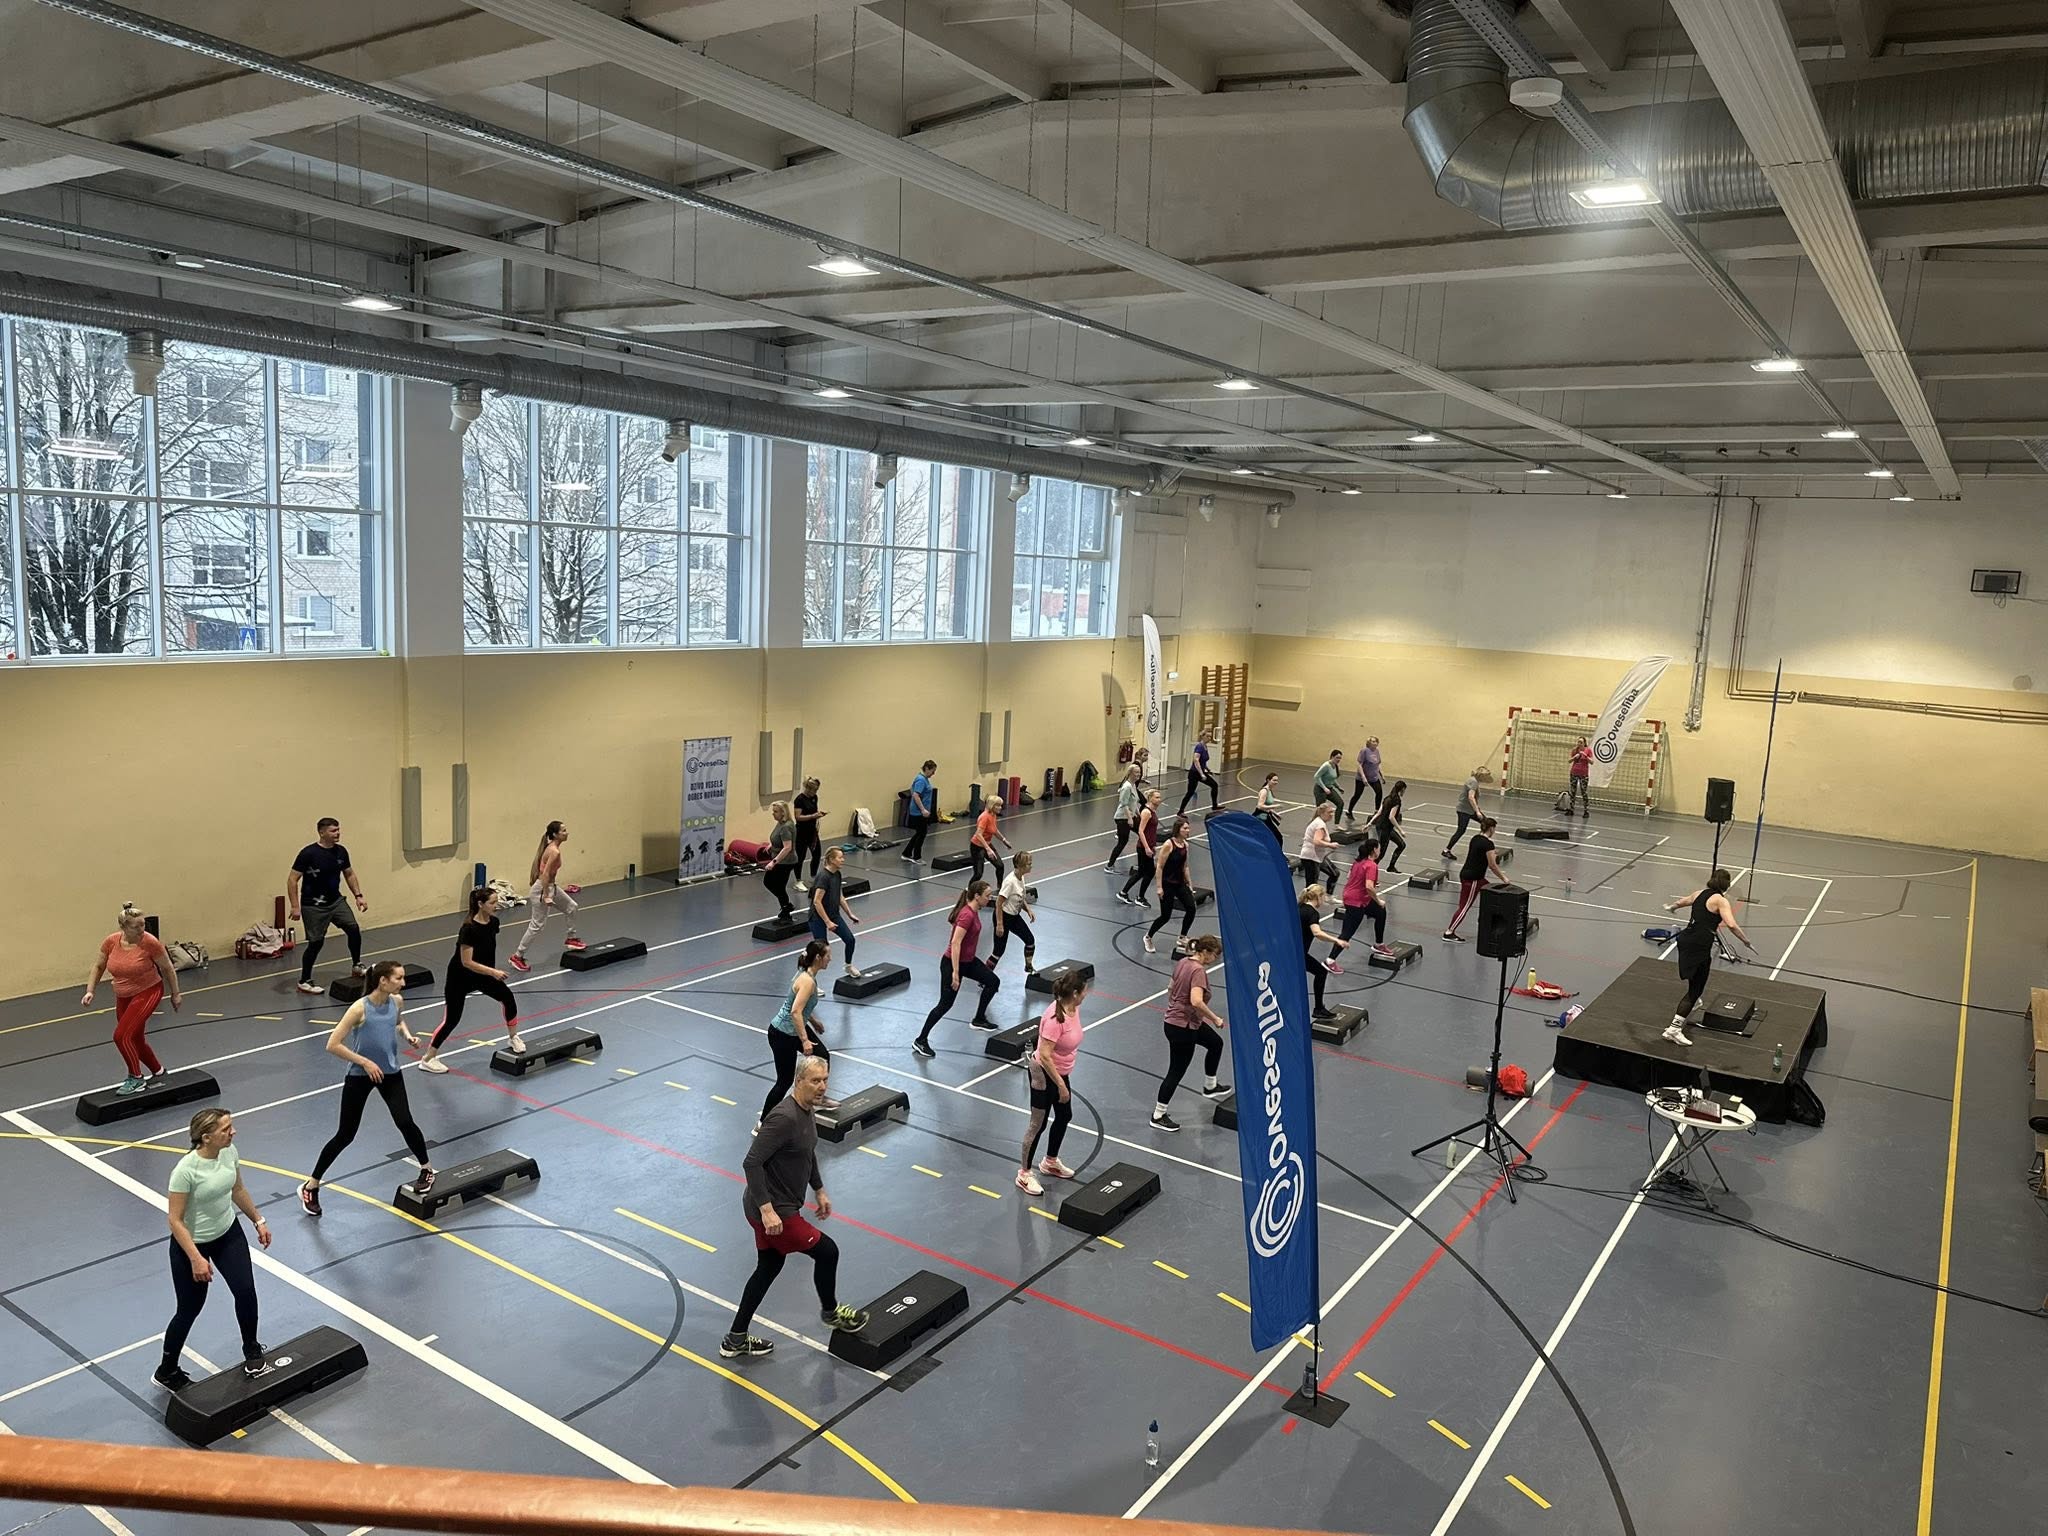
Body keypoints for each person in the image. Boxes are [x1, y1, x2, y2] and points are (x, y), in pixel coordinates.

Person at [720, 1056, 869, 1360]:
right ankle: (831, 1313)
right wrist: (767, 1210)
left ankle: (735, 1338)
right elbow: (751, 1162)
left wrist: (819, 1189)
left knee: (768, 1268)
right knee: (827, 1252)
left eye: (825, 1079)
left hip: (776, 1206)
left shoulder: (807, 1110)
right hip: (775, 1211)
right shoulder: (784, 1118)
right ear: (798, 1081)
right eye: (815, 1081)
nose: (822, 1086)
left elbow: (807, 1151)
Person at [299, 962, 435, 1216]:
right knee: (345, 1135)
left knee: (405, 1121)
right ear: (383, 980)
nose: (403, 983)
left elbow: (398, 1022)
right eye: (398, 978)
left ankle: (426, 1169)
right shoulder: (359, 1009)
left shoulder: (397, 1001)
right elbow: (332, 1044)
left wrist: (407, 1036)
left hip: (390, 1073)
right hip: (361, 1076)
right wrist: (365, 1062)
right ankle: (311, 1185)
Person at [155, 1108, 269, 1391]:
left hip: (227, 1233)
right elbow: (175, 1220)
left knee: (245, 1290)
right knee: (189, 1308)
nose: (233, 1132)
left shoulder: (229, 1152)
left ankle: (252, 1349)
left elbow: (237, 1189)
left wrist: (258, 1220)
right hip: (191, 1244)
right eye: (225, 1129)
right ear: (206, 1137)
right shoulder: (185, 1171)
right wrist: (196, 1258)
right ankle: (166, 1370)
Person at [82, 903, 180, 1095]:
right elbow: (99, 966)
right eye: (136, 926)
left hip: (148, 991)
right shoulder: (111, 942)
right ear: (123, 927)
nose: (142, 929)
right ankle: (159, 1071)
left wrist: (176, 994)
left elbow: (168, 968)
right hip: (123, 995)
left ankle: (136, 1078)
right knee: (134, 1038)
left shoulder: (150, 942)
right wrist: (90, 991)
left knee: (121, 1036)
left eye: (143, 924)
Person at [420, 886, 521, 1073]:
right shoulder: (468, 929)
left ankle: (513, 1037)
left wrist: (490, 972)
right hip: (460, 978)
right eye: (492, 902)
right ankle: (427, 1058)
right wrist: (493, 972)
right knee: (452, 1019)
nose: (496, 905)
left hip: (483, 975)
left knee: (507, 997)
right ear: (480, 904)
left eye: (497, 901)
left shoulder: (494, 922)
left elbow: (487, 948)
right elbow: (466, 962)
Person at [1016, 969, 1090, 1196]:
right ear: (1075, 993)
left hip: (1059, 1071)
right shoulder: (1054, 1019)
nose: (1086, 994)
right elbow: (1046, 1056)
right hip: (1043, 1074)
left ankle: (1050, 1162)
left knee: (1064, 1115)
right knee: (1037, 1124)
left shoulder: (1073, 1008)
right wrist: (1061, 1086)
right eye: (1084, 991)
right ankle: (1024, 1174)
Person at [1662, 869, 1755, 1045]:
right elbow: (1731, 925)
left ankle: (1695, 1001)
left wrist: (1671, 908)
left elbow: (1681, 902)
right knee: (1695, 989)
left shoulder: (1699, 893)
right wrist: (1746, 941)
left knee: (1697, 976)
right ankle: (1674, 1029)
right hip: (1699, 945)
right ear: (1727, 884)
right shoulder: (1721, 901)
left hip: (1686, 940)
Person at [912, 882, 1002, 1056]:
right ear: (977, 896)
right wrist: (955, 972)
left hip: (968, 962)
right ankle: (920, 1040)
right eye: (987, 895)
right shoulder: (966, 915)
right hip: (952, 963)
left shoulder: (974, 911)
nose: (989, 898)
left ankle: (979, 1019)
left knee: (993, 981)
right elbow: (955, 943)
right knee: (945, 1005)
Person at [1151, 934, 1229, 1132]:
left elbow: (1170, 988)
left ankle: (1210, 1085)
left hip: (1181, 1022)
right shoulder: (1198, 970)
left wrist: (1177, 1007)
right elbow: (1196, 1001)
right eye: (1215, 955)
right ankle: (1158, 1114)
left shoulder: (1183, 962)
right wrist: (1215, 1018)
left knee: (1215, 1043)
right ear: (1206, 952)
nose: (1215, 960)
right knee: (1176, 1071)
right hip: (1182, 1028)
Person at [288, 817, 367, 995]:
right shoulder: (308, 853)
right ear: (322, 832)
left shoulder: (341, 852)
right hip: (313, 905)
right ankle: (304, 981)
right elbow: (292, 879)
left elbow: (349, 874)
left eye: (338, 830)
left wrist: (358, 896)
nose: (337, 833)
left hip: (336, 901)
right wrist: (295, 906)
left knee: (353, 929)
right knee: (316, 943)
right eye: (333, 831)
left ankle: (357, 965)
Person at [760, 942, 833, 1125]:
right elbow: (795, 1012)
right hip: (782, 1034)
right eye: (827, 956)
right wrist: (805, 1040)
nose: (830, 959)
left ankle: (817, 1099)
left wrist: (813, 1021)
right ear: (818, 957)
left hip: (794, 1028)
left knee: (822, 1056)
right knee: (784, 1081)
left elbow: (801, 1005)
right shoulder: (807, 981)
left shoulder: (807, 974)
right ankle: (763, 1122)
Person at [509, 820, 582, 973]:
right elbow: (545, 874)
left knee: (572, 907)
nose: (567, 833)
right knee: (537, 925)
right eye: (563, 831)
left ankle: (571, 938)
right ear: (555, 834)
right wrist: (547, 895)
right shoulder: (554, 851)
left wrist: (550, 890)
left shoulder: (552, 848)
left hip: (551, 887)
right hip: (542, 889)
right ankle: (517, 956)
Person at [1443, 816, 1508, 942]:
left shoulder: (1475, 838)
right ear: (1491, 828)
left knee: (1492, 893)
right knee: (1464, 907)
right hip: (1473, 879)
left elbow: (1479, 856)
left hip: (1473, 877)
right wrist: (1504, 878)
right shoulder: (1488, 844)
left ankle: (1485, 920)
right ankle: (1449, 932)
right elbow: (1492, 865)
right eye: (1494, 829)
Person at [1333, 838, 1394, 961]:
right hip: (1356, 901)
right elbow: (1369, 887)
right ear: (1374, 850)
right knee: (1347, 933)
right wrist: (1378, 900)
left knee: (1380, 911)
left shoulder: (1358, 861)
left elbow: (1349, 876)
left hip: (1351, 896)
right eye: (1379, 848)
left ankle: (1379, 944)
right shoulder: (1372, 865)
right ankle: (1330, 960)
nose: (1380, 851)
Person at [1145, 819, 1199, 955]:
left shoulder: (1186, 845)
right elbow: (1159, 866)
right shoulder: (1169, 845)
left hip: (1180, 883)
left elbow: (1185, 866)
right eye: (1185, 828)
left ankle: (1182, 937)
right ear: (1178, 829)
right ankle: (1148, 937)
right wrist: (1159, 887)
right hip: (1167, 884)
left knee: (1191, 908)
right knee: (1165, 916)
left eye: (1188, 828)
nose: (1188, 830)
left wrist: (1189, 883)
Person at [808, 846, 863, 978]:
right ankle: (809, 977)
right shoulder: (823, 877)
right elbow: (817, 901)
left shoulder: (837, 874)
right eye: (840, 857)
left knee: (850, 940)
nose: (843, 860)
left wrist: (849, 914)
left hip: (833, 915)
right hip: (817, 918)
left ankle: (848, 966)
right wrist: (827, 922)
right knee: (821, 951)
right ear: (832, 860)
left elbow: (840, 897)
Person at [1299, 886, 1348, 1021]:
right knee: (1321, 972)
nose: (1324, 899)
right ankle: (1319, 1009)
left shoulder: (1299, 907)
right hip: (1298, 955)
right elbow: (1317, 932)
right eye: (1323, 896)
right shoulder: (1312, 913)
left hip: (1290, 952)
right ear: (1318, 897)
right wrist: (1337, 940)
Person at [991, 850, 1038, 975]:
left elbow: (1020, 896)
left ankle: (1028, 967)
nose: (1031, 866)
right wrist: (999, 924)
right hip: (1003, 916)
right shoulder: (1010, 882)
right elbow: (998, 903)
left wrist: (1028, 910)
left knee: (1030, 941)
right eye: (1029, 864)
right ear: (1020, 866)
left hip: (1014, 917)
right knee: (998, 951)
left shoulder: (1021, 877)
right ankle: (985, 976)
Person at [1117, 791, 1164, 907]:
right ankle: (1139, 897)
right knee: (1149, 872)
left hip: (1149, 846)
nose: (1159, 799)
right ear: (1150, 798)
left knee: (1142, 872)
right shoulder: (1147, 812)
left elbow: (1151, 831)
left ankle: (1124, 893)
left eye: (1159, 797)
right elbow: (1141, 831)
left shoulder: (1153, 811)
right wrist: (1147, 848)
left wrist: (1153, 845)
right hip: (1143, 848)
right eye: (1157, 797)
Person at [763, 801, 799, 919]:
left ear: (783, 813)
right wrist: (771, 845)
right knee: (777, 885)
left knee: (771, 883)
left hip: (786, 862)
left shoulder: (786, 827)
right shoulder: (780, 824)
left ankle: (786, 906)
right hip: (781, 859)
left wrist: (773, 862)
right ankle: (785, 907)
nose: (773, 814)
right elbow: (779, 839)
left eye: (776, 811)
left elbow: (787, 847)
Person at [1106, 765, 1144, 869]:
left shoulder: (1133, 785)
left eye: (1139, 772)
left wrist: (1139, 814)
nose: (1139, 774)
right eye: (1136, 772)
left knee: (1143, 833)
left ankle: (1143, 860)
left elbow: (1134, 802)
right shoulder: (1126, 787)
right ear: (1130, 773)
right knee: (1122, 842)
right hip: (1123, 818)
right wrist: (1130, 819)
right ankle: (1109, 865)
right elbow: (1124, 804)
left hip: (1131, 815)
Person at [1443, 769, 1487, 860]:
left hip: (1470, 810)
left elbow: (1474, 798)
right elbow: (1471, 797)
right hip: (1464, 811)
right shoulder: (1473, 782)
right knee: (1461, 830)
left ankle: (1483, 846)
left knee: (1486, 823)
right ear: (1481, 775)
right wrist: (1477, 811)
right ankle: (1446, 850)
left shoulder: (1474, 781)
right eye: (1486, 776)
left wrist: (1477, 808)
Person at [792, 776, 826, 887]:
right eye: (814, 790)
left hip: (812, 832)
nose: (815, 792)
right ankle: (798, 880)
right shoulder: (799, 800)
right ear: (808, 788)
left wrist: (818, 815)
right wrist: (812, 816)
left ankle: (814, 875)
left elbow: (814, 811)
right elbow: (798, 817)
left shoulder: (814, 797)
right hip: (801, 832)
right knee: (800, 857)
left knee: (817, 854)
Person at [1370, 779, 1409, 872]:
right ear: (1402, 789)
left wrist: (1369, 823)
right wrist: (1401, 830)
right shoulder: (1396, 801)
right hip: (1385, 829)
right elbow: (1391, 817)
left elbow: (1379, 813)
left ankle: (1391, 866)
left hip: (1384, 827)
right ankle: (1370, 871)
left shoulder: (1387, 798)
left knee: (1401, 844)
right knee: (1380, 854)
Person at [970, 795, 1011, 884]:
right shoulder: (984, 817)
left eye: (1000, 805)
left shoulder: (993, 815)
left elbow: (994, 830)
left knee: (1000, 866)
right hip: (977, 847)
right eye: (998, 805)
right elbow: (978, 834)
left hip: (987, 844)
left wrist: (1004, 840)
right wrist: (988, 849)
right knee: (978, 874)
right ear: (992, 806)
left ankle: (1000, 887)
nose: (1000, 808)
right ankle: (969, 890)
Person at [1177, 732, 1220, 817]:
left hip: (1201, 772)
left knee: (1214, 785)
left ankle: (1214, 806)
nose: (1209, 738)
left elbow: (1202, 761)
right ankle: (1180, 811)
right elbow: (1196, 760)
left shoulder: (1205, 747)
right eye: (1207, 736)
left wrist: (1207, 769)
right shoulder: (1199, 746)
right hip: (1194, 773)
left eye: (1210, 737)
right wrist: (1201, 774)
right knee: (1190, 792)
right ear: (1202, 736)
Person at [1297, 803, 1338, 891]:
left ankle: (1328, 895)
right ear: (1322, 813)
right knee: (1311, 885)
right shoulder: (1320, 825)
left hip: (1318, 856)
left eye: (1332, 812)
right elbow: (1317, 841)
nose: (1332, 814)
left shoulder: (1320, 822)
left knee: (1335, 873)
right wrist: (1330, 845)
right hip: (1310, 857)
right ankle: (1306, 898)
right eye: (1329, 812)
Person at [903, 760, 938, 862]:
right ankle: (917, 857)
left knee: (920, 833)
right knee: (921, 833)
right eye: (932, 771)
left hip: (921, 811)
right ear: (926, 768)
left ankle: (907, 853)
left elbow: (912, 789)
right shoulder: (921, 780)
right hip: (918, 812)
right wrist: (923, 809)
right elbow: (915, 795)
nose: (933, 774)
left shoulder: (923, 779)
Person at [1348, 737, 1383, 821]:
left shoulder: (1377, 751)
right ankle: (1349, 811)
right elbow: (1359, 765)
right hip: (1362, 778)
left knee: (1379, 792)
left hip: (1373, 777)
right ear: (1369, 743)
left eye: (1376, 741)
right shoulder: (1364, 751)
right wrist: (1363, 777)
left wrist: (1382, 775)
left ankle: (1377, 811)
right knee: (1357, 794)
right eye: (1373, 741)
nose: (1375, 743)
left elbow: (1378, 764)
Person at [1312, 750, 1345, 821]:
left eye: (1340, 758)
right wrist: (1324, 788)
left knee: (1340, 803)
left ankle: (1337, 824)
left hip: (1329, 789)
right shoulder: (1326, 765)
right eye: (1337, 758)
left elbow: (1332, 779)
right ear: (1332, 757)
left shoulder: (1335, 766)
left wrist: (1338, 787)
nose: (1338, 760)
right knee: (1321, 809)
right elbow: (1316, 776)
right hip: (1320, 789)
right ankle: (1315, 823)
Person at [1566, 737, 1592, 817]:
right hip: (1574, 773)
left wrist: (1586, 756)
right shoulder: (1575, 750)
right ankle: (1571, 809)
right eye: (1578, 742)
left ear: (1584, 743)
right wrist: (1574, 757)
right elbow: (1569, 761)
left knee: (1584, 792)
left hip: (1583, 774)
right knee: (1572, 791)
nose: (1579, 744)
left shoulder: (1588, 750)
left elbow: (1592, 762)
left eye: (1581, 742)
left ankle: (1586, 810)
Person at [1255, 772, 1284, 842]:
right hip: (1261, 817)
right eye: (1274, 780)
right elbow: (1260, 806)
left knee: (1275, 836)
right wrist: (1275, 806)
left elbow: (1267, 806)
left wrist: (1275, 814)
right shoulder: (1264, 791)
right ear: (1268, 780)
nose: (1276, 782)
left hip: (1266, 816)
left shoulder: (1269, 790)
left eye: (1277, 780)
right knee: (1277, 837)